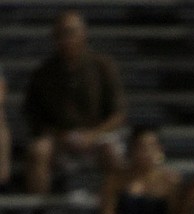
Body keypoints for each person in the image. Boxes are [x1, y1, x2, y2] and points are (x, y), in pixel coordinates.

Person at [22, 9, 126, 197]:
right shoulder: (43, 73)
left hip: (96, 136)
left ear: (83, 34)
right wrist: (60, 135)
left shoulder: (103, 66)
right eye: (60, 34)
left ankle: (112, 211)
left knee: (113, 153)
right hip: (60, 138)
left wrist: (92, 135)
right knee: (39, 151)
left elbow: (118, 113)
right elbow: (33, 116)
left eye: (70, 32)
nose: (65, 39)